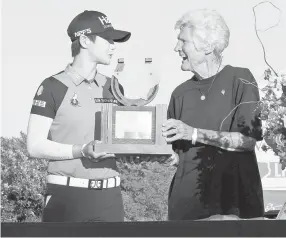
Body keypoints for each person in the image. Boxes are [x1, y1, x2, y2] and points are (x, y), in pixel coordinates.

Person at [27, 10, 130, 222]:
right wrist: (81, 151)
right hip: (67, 197)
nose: (114, 46)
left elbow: (122, 140)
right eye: (108, 39)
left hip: (110, 199)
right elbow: (34, 146)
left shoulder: (114, 87)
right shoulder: (52, 87)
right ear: (84, 40)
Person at [161, 9, 265, 220]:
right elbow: (175, 156)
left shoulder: (240, 79)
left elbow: (247, 140)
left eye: (183, 41)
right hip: (187, 210)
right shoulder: (179, 93)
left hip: (235, 208)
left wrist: (193, 133)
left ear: (208, 46)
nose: (176, 48)